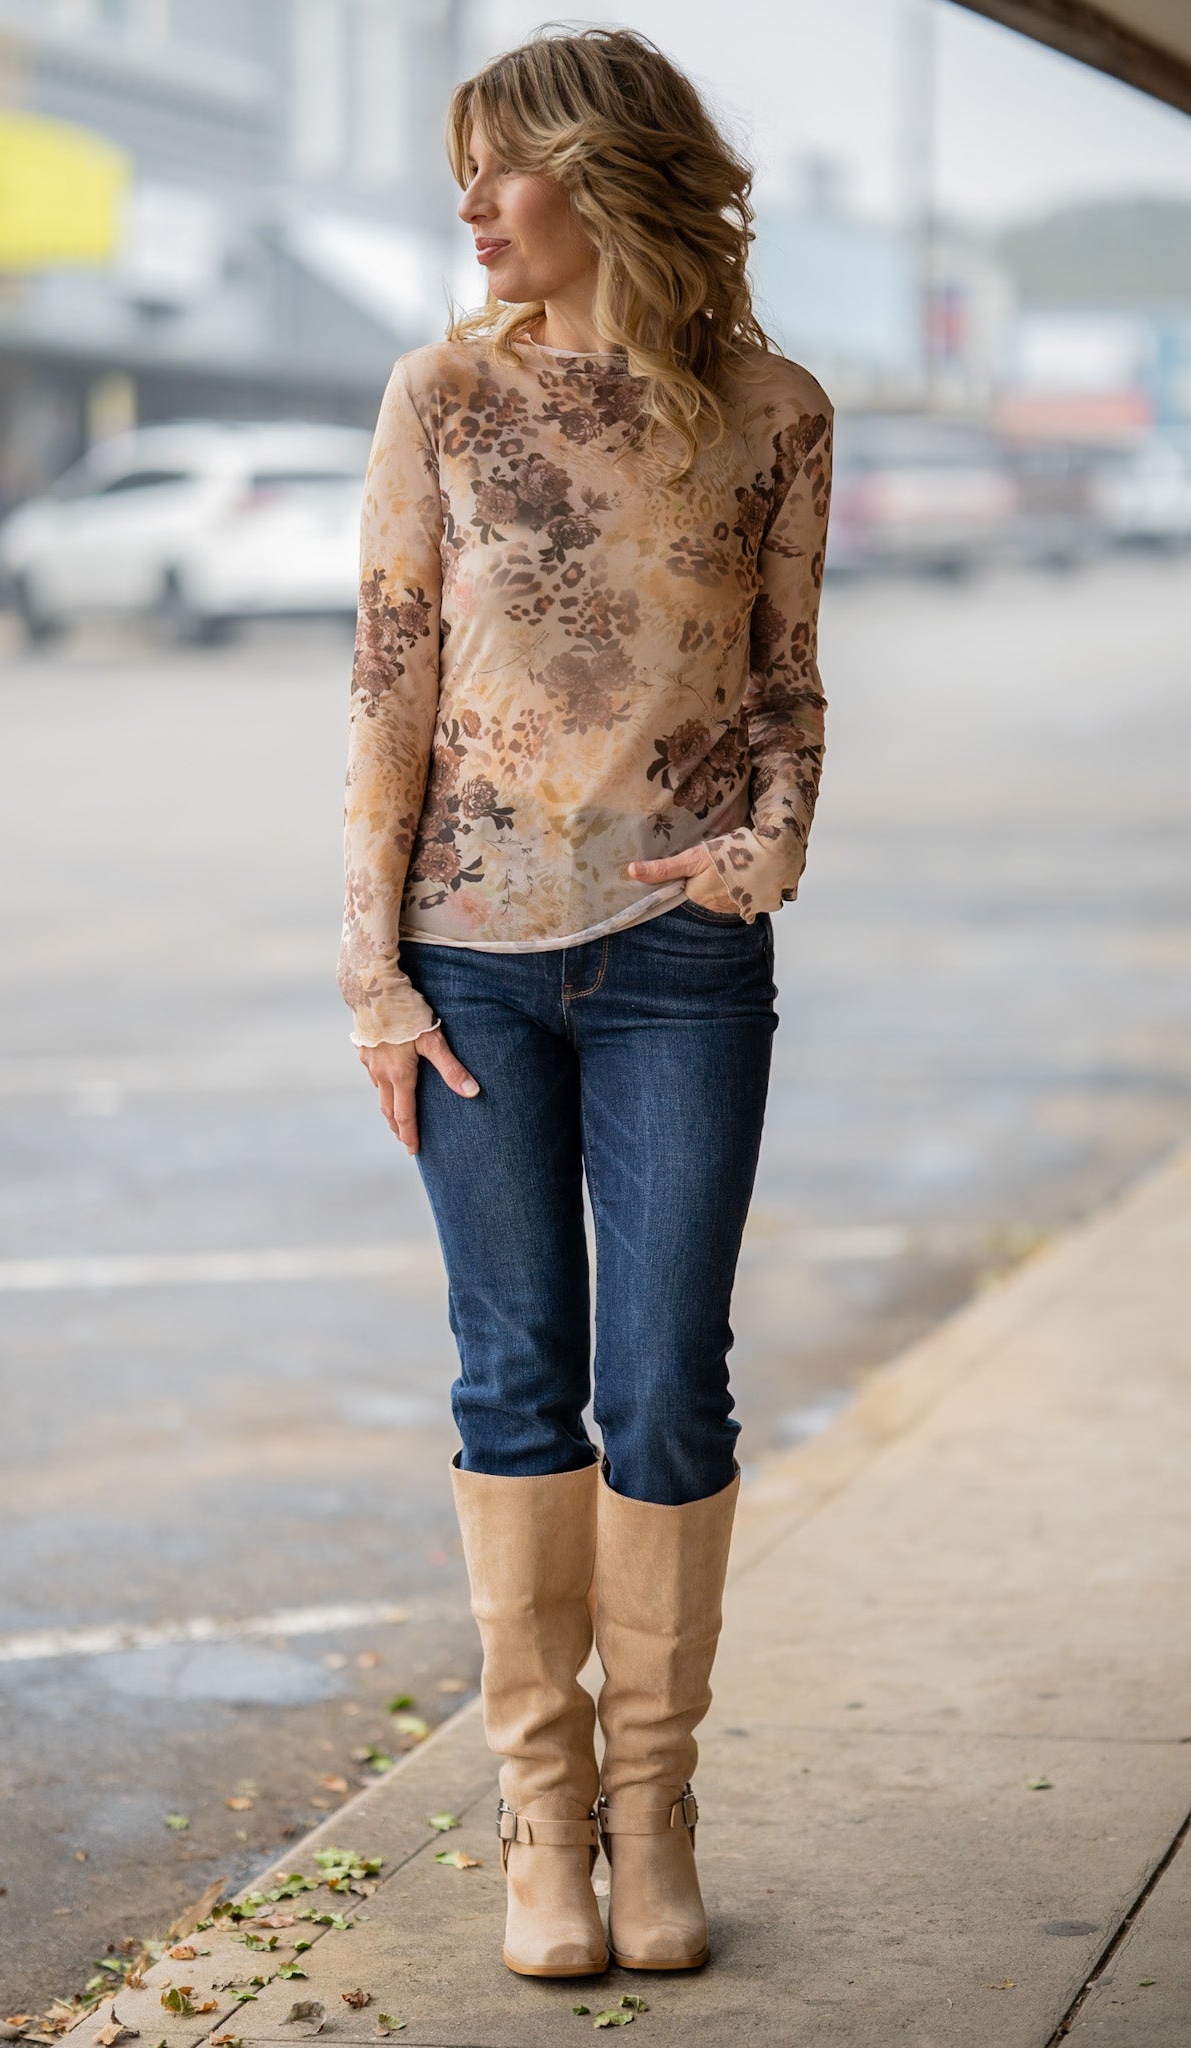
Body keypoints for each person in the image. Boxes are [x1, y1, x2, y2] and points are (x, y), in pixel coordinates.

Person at [337, 23, 834, 1982]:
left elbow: (786, 677)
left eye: (501, 167)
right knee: (509, 1373)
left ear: (603, 178)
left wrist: (765, 842)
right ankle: (543, 1825)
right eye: (462, 172)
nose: (472, 207)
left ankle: (655, 1808)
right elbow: (384, 688)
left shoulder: (770, 407)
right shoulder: (442, 395)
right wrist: (372, 975)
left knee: (662, 1387)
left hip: (684, 963)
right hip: (470, 955)